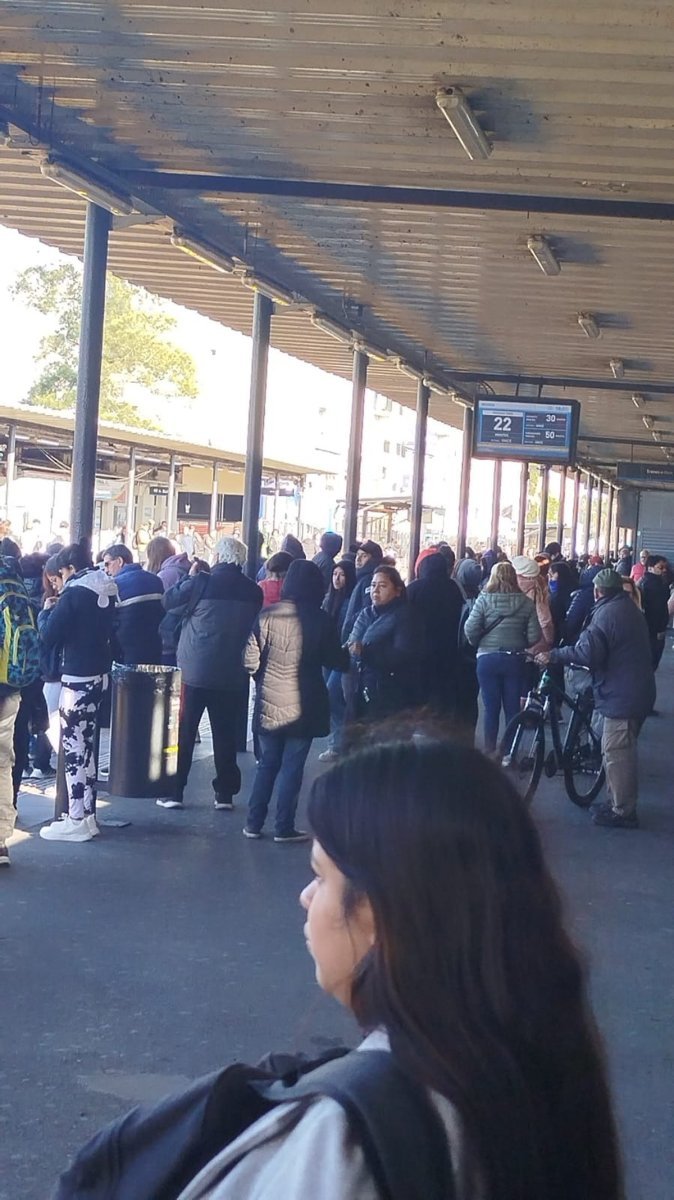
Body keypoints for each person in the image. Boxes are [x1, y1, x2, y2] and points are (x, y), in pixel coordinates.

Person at [54, 739, 624, 1198]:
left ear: (380, 910)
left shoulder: (345, 1137)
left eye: (321, 875)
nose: (306, 897)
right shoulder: (537, 1064)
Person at [540, 568, 655, 829]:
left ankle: (623, 811)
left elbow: (587, 652)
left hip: (623, 695)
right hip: (632, 689)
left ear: (597, 591)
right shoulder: (627, 609)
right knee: (615, 749)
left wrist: (555, 655)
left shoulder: (607, 614)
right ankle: (616, 801)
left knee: (617, 753)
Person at [243, 560, 346, 841]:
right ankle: (283, 827)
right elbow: (336, 660)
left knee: (267, 764)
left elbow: (250, 660)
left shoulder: (267, 615)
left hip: (270, 699)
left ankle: (253, 823)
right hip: (306, 701)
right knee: (292, 766)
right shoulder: (321, 619)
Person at [162, 537, 262, 811]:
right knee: (225, 733)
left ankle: (175, 791)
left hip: (194, 672)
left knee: (183, 732)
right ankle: (224, 795)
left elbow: (168, 601)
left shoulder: (202, 581)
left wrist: (190, 577)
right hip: (232, 673)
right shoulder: (254, 591)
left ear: (218, 556)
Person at [38, 542, 117, 844]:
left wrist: (46, 613)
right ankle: (88, 815)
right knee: (88, 747)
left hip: (75, 677)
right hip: (99, 676)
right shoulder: (107, 590)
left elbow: (48, 635)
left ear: (69, 569)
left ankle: (75, 818)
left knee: (72, 748)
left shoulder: (73, 595)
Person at [464, 562, 541, 754]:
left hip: (487, 659)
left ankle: (490, 751)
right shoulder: (526, 603)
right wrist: (519, 640)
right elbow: (534, 636)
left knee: (491, 708)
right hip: (514, 660)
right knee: (512, 708)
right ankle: (509, 752)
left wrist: (479, 642)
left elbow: (470, 629)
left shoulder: (483, 599)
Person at [347, 565, 420, 722]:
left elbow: (403, 654)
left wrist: (366, 652)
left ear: (398, 590)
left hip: (389, 691)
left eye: (383, 586)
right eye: (373, 585)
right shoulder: (366, 613)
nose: (376, 590)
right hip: (359, 685)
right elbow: (351, 641)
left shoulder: (404, 616)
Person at [407, 551, 463, 716]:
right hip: (448, 647)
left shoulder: (414, 588)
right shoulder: (453, 588)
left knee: (422, 690)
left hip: (420, 649)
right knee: (443, 691)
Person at [319, 559, 357, 763]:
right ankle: (344, 738)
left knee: (332, 694)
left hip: (342, 655)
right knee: (332, 697)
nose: (337, 578)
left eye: (342, 575)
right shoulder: (328, 599)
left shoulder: (351, 600)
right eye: (335, 574)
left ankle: (339, 743)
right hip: (328, 655)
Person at [102, 543, 164, 665]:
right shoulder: (156, 580)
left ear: (119, 561)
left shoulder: (114, 586)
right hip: (155, 645)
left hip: (127, 650)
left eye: (107, 564)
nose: (106, 570)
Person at [637, 554, 670, 696]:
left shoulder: (644, 582)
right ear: (651, 568)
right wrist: (659, 630)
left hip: (647, 630)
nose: (664, 570)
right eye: (660, 567)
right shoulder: (656, 586)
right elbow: (658, 611)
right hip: (654, 632)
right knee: (649, 667)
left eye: (665, 568)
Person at [340, 540, 383, 644]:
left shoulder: (369, 580)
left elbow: (367, 609)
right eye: (357, 555)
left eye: (364, 556)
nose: (358, 559)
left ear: (374, 559)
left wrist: (349, 624)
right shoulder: (362, 578)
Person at [511, 556, 554, 655]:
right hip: (532, 646)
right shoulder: (538, 591)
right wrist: (549, 641)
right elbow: (545, 622)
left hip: (506, 645)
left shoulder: (502, 589)